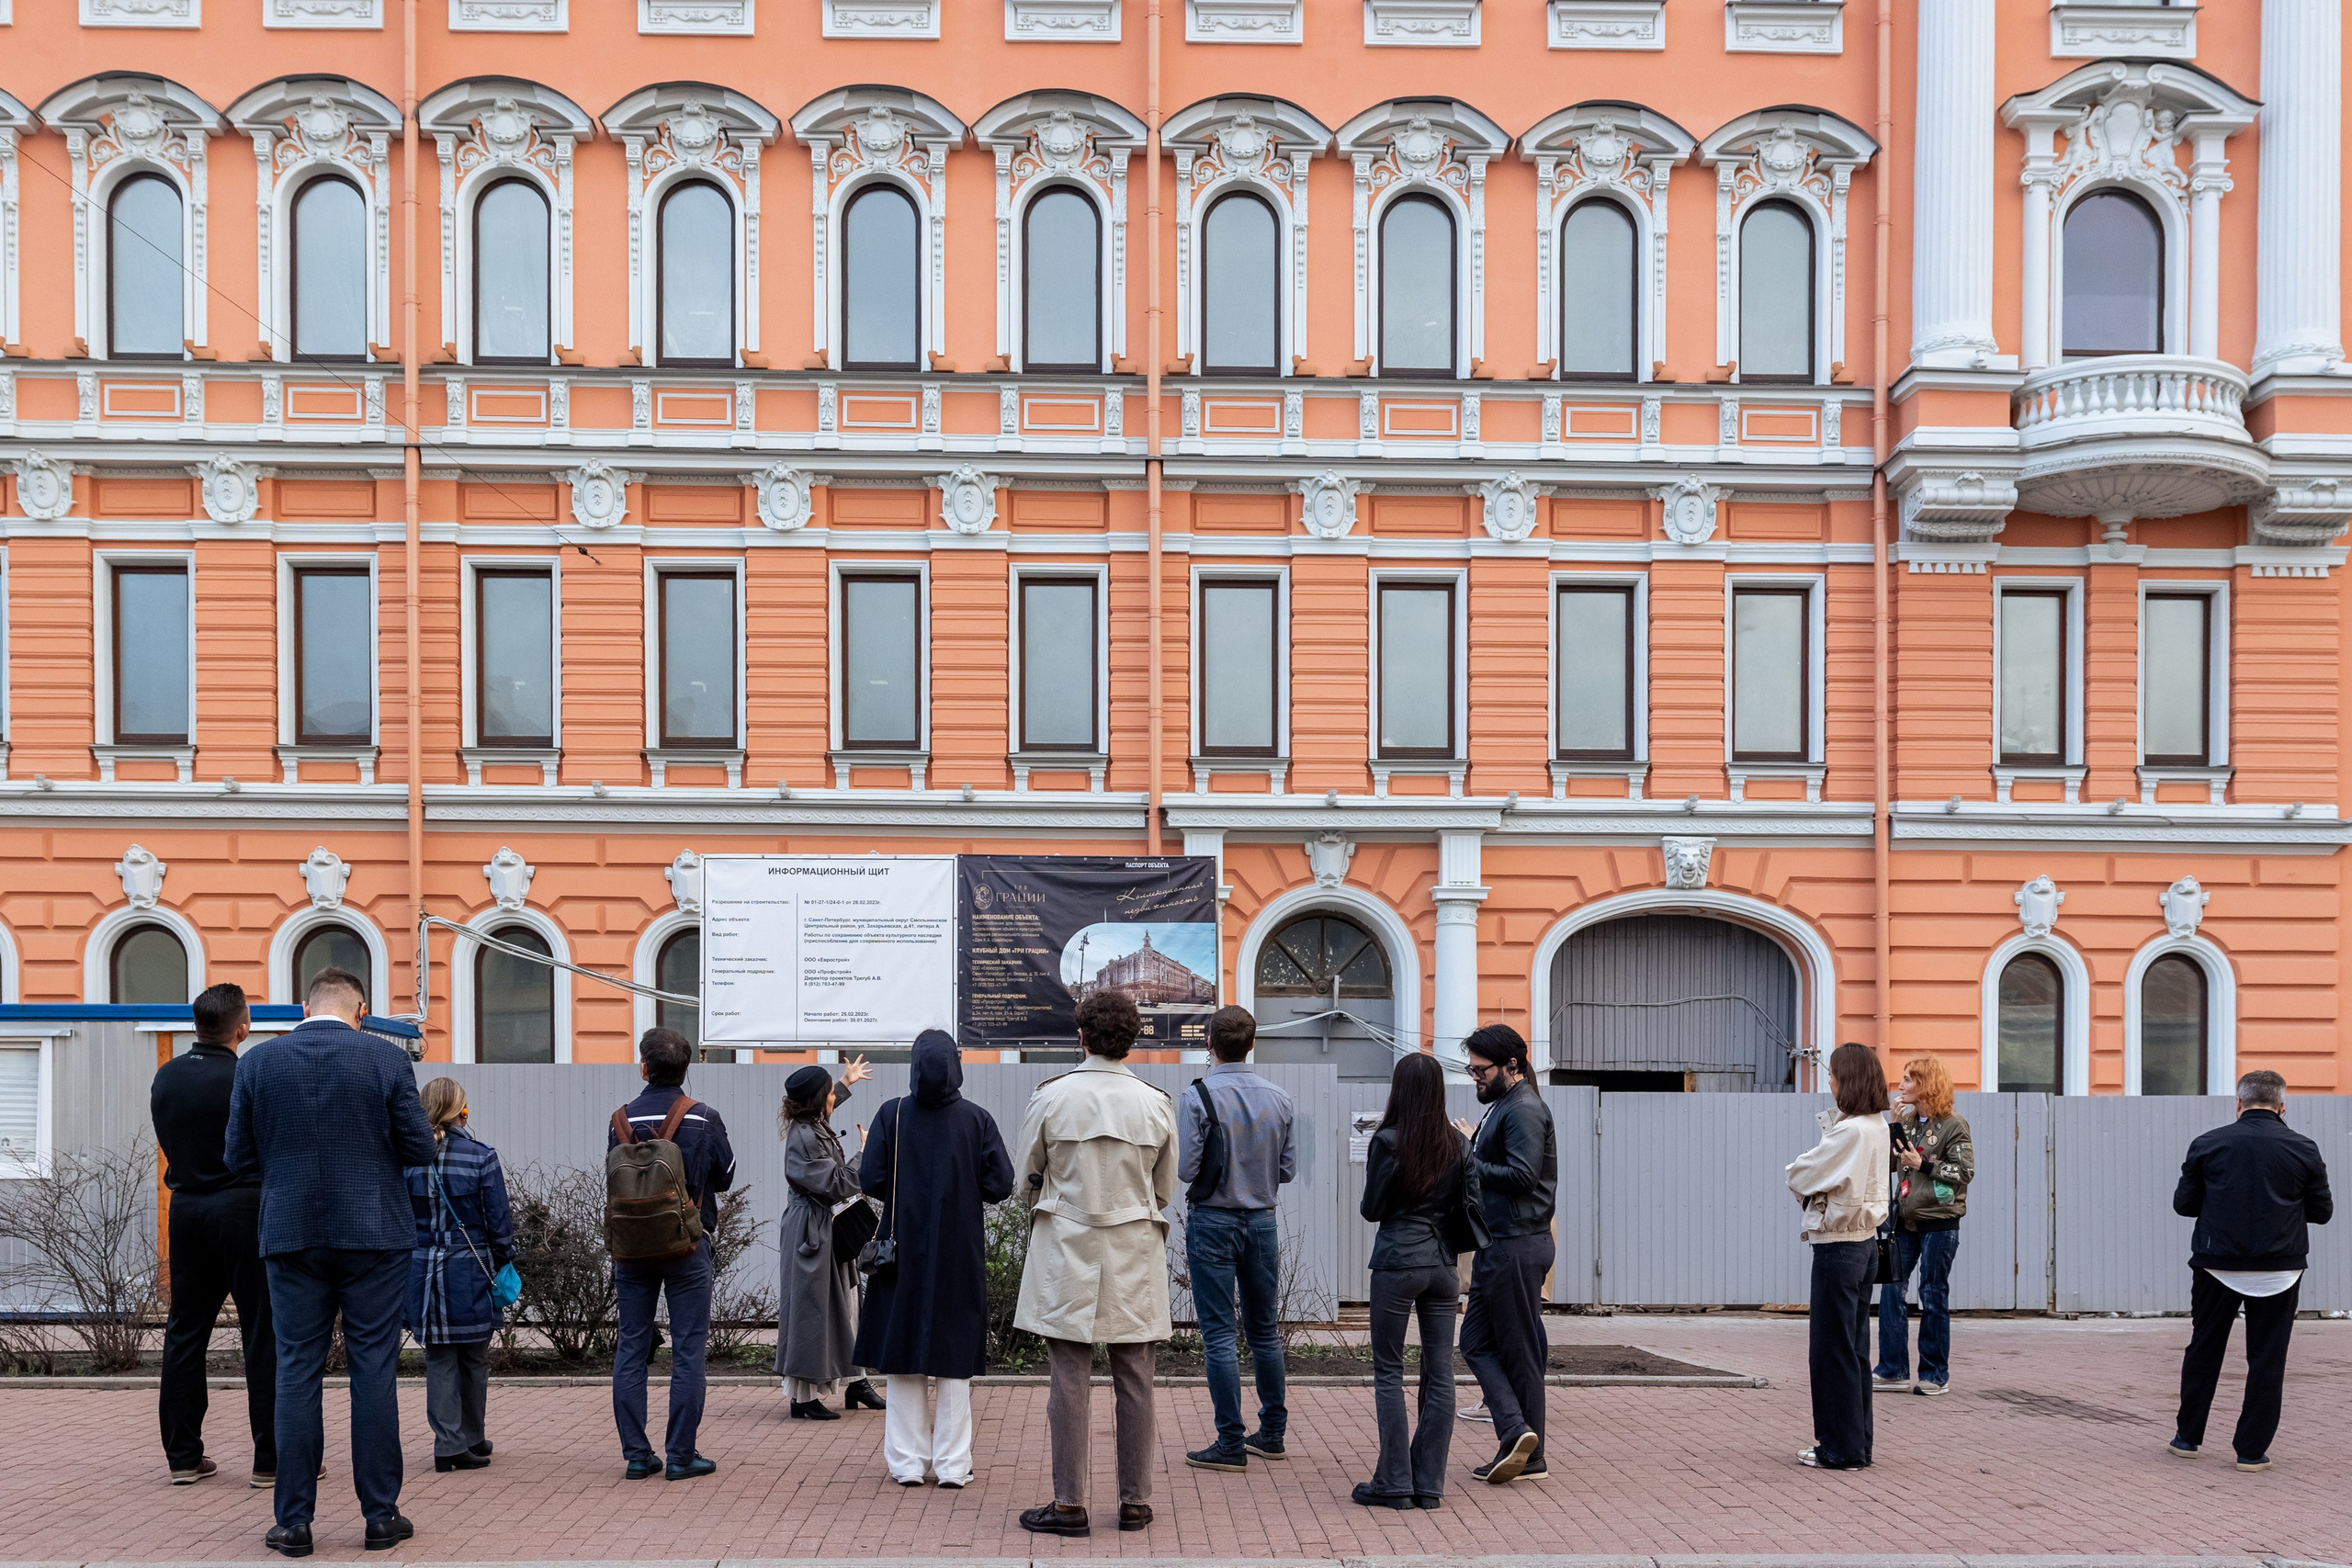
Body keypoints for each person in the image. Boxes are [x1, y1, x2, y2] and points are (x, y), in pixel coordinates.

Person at [224, 967, 435, 1558]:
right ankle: (380, 1516)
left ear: (302, 1008)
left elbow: (237, 1157)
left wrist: (290, 1179)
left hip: (290, 1234)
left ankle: (292, 1523)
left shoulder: (258, 1063)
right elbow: (420, 1149)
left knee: (295, 1371)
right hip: (374, 1234)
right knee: (373, 1369)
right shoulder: (386, 1060)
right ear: (360, 1011)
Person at [1013, 989, 1180, 1538]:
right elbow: (1164, 1189)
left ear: (1080, 1035)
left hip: (1067, 1248)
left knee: (1068, 1376)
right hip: (1133, 1249)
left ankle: (1068, 1505)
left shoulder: (1052, 1097)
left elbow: (1025, 1178)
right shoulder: (1156, 1103)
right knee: (1136, 1377)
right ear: (1132, 1041)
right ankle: (1134, 1502)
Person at [852, 1029, 1016, 1487]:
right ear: (956, 1064)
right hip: (958, 1252)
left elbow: (870, 1179)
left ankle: (906, 1464)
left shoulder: (893, 1114)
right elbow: (1000, 1185)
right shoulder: (976, 1119)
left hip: (900, 1250)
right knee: (954, 1358)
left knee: (903, 1355)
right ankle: (952, 1465)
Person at [2170, 1069, 2334, 1472]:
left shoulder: (2208, 1144)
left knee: (2204, 1349)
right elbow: (2322, 1213)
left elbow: (2184, 1205)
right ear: (2282, 1107)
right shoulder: (2304, 1148)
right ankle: (2250, 1452)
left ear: (2239, 1103)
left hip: (2216, 1265)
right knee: (2267, 1359)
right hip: (2280, 1270)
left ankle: (2187, 1439)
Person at [151, 982, 277, 1489]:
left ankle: (183, 1456)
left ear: (196, 1023)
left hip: (187, 1210)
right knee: (262, 1334)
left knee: (185, 1332)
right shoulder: (249, 1074)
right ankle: (271, 1460)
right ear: (241, 1027)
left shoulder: (167, 1076)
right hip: (244, 1207)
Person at [608, 1027, 737, 1482]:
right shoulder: (703, 1116)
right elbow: (724, 1177)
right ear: (686, 1069)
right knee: (687, 1350)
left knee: (631, 1347)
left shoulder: (619, 1120)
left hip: (632, 1251)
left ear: (643, 1067)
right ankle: (681, 1455)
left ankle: (637, 1456)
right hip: (687, 1247)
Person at [1178, 1004, 1297, 1474]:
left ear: (1210, 1044)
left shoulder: (1198, 1097)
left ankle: (1229, 1441)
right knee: (1264, 1331)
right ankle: (1271, 1435)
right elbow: (1287, 1170)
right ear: (1252, 1044)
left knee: (1220, 1335)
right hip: (1262, 1222)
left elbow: (1187, 1169)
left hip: (1212, 1220)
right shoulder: (1281, 1099)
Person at [1355, 1051, 1468, 1510]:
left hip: (1399, 1262)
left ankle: (1394, 1482)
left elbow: (1372, 1209)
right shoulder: (1457, 1143)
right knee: (1440, 1373)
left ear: (1398, 1090)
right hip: (1443, 1266)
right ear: (1439, 1090)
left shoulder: (1388, 1140)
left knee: (1388, 1371)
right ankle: (1430, 1484)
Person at [1453, 1022, 1556, 1486]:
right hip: (1501, 1243)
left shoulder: (1525, 1109)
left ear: (1510, 1065)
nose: (1474, 1076)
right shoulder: (1506, 1106)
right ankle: (1516, 1432)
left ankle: (1527, 1451)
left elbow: (1521, 1176)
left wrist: (1467, 1156)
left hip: (1516, 1243)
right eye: (1471, 1069)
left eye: (1481, 1070)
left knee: (1519, 1352)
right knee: (1476, 1342)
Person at [1785, 1042, 1893, 1472]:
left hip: (1838, 1246)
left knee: (1830, 1351)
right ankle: (1856, 1444)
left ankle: (1838, 1448)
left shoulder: (1851, 1131)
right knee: (1854, 1350)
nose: (1828, 1081)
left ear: (1847, 1080)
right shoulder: (1877, 1125)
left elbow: (1799, 1172)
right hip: (1864, 1244)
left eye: (1832, 1075)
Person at [402, 1078, 514, 1473]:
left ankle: (452, 1439)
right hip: (470, 1265)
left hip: (421, 1267)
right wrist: (504, 1259)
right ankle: (464, 1439)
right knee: (474, 1355)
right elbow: (498, 1218)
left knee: (440, 1356)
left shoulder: (406, 1157)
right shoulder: (480, 1156)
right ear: (460, 1112)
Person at [775, 1057, 883, 1417]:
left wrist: (845, 1082)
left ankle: (857, 1383)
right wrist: (864, 1155)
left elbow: (826, 1110)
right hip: (812, 1233)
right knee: (811, 1312)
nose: (833, 1097)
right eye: (829, 1093)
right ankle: (802, 1399)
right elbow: (837, 1182)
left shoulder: (812, 1124)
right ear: (818, 1101)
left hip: (825, 1229)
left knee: (847, 1303)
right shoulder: (805, 1138)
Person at [1873, 1055, 1973, 1396]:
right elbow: (1889, 1163)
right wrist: (1893, 1125)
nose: (1899, 1086)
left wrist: (1924, 1163)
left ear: (1926, 1084)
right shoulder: (1909, 1121)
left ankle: (1934, 1374)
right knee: (1890, 1291)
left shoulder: (1954, 1125)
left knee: (1932, 1294)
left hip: (1940, 1222)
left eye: (1907, 1080)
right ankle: (1892, 1369)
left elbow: (1964, 1173)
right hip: (1903, 1220)